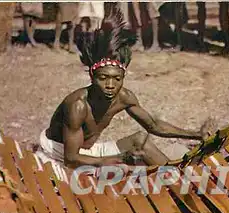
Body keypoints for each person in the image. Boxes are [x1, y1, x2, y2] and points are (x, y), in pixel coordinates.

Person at [38, 7, 212, 168]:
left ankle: (179, 179)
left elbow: (154, 126)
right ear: (92, 77)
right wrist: (118, 159)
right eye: (103, 78)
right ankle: (175, 181)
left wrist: (196, 134)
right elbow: (71, 158)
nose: (110, 85)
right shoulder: (78, 105)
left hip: (88, 152)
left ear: (123, 78)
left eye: (117, 79)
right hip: (60, 155)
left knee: (140, 139)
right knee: (123, 168)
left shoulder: (124, 97)